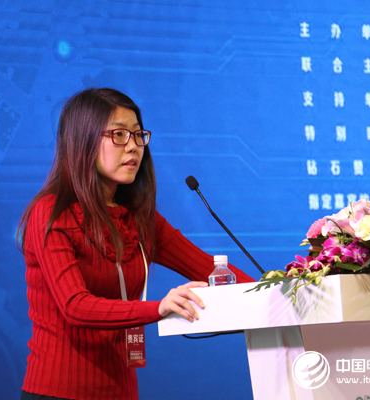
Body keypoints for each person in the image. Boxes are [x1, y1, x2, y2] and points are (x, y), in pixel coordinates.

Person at [17, 88, 254, 400]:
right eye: (118, 134)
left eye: (138, 135)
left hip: (122, 390)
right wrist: (159, 307)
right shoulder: (51, 212)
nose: (133, 146)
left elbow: (212, 270)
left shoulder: (139, 217)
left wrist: (288, 291)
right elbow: (75, 306)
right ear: (82, 140)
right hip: (58, 391)